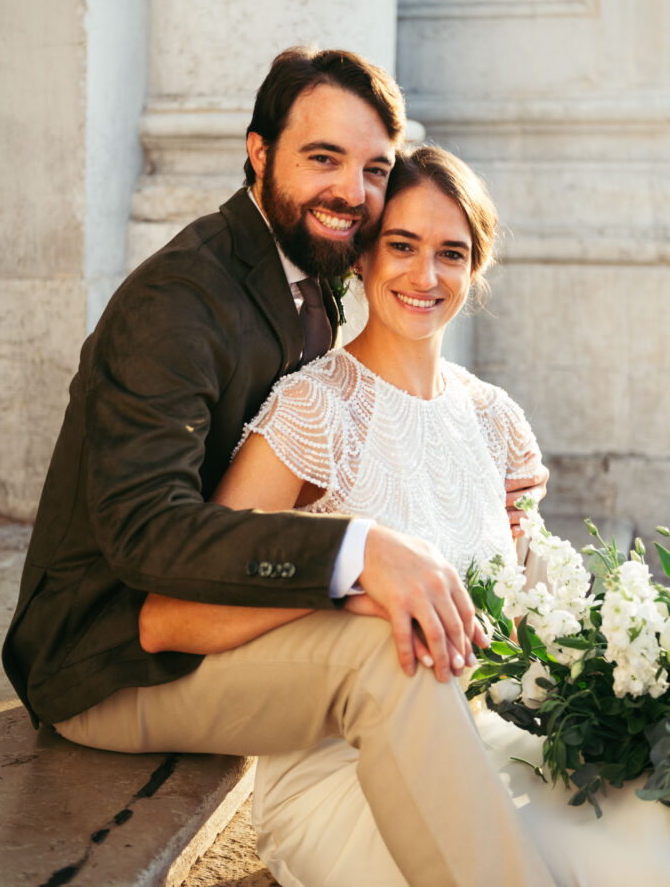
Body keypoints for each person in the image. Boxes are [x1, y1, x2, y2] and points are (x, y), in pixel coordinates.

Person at [3, 48, 552, 887]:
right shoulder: (180, 301)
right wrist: (353, 552)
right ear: (257, 152)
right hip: (111, 654)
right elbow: (145, 534)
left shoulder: (303, 280)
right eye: (321, 158)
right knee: (385, 656)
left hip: (217, 623)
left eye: (372, 168)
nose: (352, 192)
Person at [132, 145, 670, 887]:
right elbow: (181, 605)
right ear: (359, 259)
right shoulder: (311, 410)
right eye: (401, 246)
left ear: (474, 270)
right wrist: (340, 585)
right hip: (345, 763)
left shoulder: (493, 420)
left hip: (502, 738)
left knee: (648, 840)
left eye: (451, 253)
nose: (425, 276)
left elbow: (527, 592)